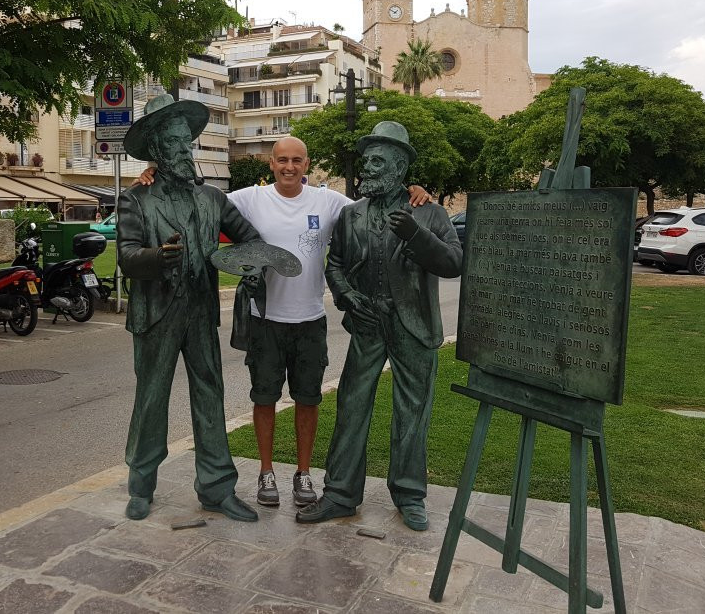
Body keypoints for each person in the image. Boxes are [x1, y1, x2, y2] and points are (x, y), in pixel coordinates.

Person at [138, 136, 430, 509]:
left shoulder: (329, 202)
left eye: (296, 160)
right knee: (264, 399)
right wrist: (154, 174)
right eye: (282, 160)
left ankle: (303, 472)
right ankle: (266, 471)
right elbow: (198, 201)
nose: (289, 167)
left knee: (307, 401)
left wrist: (413, 189)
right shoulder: (248, 199)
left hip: (310, 319)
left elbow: (376, 202)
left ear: (307, 164)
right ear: (271, 164)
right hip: (264, 320)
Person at [296, 121, 463, 531]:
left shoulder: (429, 211)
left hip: (414, 326)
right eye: (366, 160)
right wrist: (347, 296)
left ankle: (409, 495)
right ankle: (340, 494)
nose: (367, 167)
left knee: (412, 412)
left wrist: (416, 234)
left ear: (399, 167)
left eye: (377, 161)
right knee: (352, 406)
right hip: (368, 323)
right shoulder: (351, 215)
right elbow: (334, 264)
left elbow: (454, 263)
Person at [117, 93, 261, 523]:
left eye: (188, 142)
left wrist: (242, 264)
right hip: (156, 314)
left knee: (210, 395)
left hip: (199, 313)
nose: (185, 150)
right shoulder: (135, 200)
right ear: (158, 150)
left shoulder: (213, 199)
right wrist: (154, 259)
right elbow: (126, 254)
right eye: (177, 144)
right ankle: (141, 485)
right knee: (150, 399)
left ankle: (217, 488)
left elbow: (249, 239)